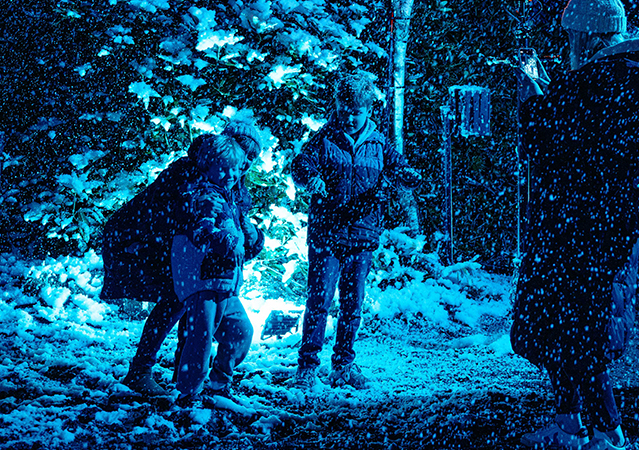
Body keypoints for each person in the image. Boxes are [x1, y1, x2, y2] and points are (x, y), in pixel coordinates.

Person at [511, 0, 639, 450]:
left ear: (587, 37)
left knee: (581, 335)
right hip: (582, 228)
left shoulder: (604, 89)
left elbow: (555, 143)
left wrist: (532, 104)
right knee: (561, 329)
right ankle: (569, 420)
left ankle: (609, 434)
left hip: (590, 232)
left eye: (571, 37)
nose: (567, 46)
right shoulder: (608, 86)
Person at [111, 121, 262, 397]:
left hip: (194, 256)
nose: (244, 166)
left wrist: (252, 237)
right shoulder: (192, 172)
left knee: (191, 309)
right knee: (175, 303)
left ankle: (182, 375)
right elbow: (175, 213)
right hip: (153, 240)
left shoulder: (233, 185)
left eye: (251, 159)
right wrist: (205, 224)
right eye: (244, 154)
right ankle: (145, 372)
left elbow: (239, 233)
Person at [293, 71, 416, 393]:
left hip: (363, 233)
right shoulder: (324, 138)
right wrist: (311, 180)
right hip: (327, 234)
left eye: (357, 111)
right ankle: (307, 366)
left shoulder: (378, 143)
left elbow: (399, 166)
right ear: (337, 105)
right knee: (319, 300)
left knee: (352, 303)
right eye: (345, 109)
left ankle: (344, 363)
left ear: (369, 110)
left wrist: (406, 176)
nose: (350, 116)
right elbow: (301, 165)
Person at [171, 131, 260, 408]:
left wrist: (252, 237)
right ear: (208, 167)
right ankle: (188, 394)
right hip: (205, 281)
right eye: (222, 169)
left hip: (225, 282)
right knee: (201, 338)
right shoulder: (205, 196)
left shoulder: (231, 197)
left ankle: (220, 381)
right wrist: (226, 241)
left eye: (235, 168)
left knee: (240, 331)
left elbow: (242, 244)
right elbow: (202, 230)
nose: (230, 174)